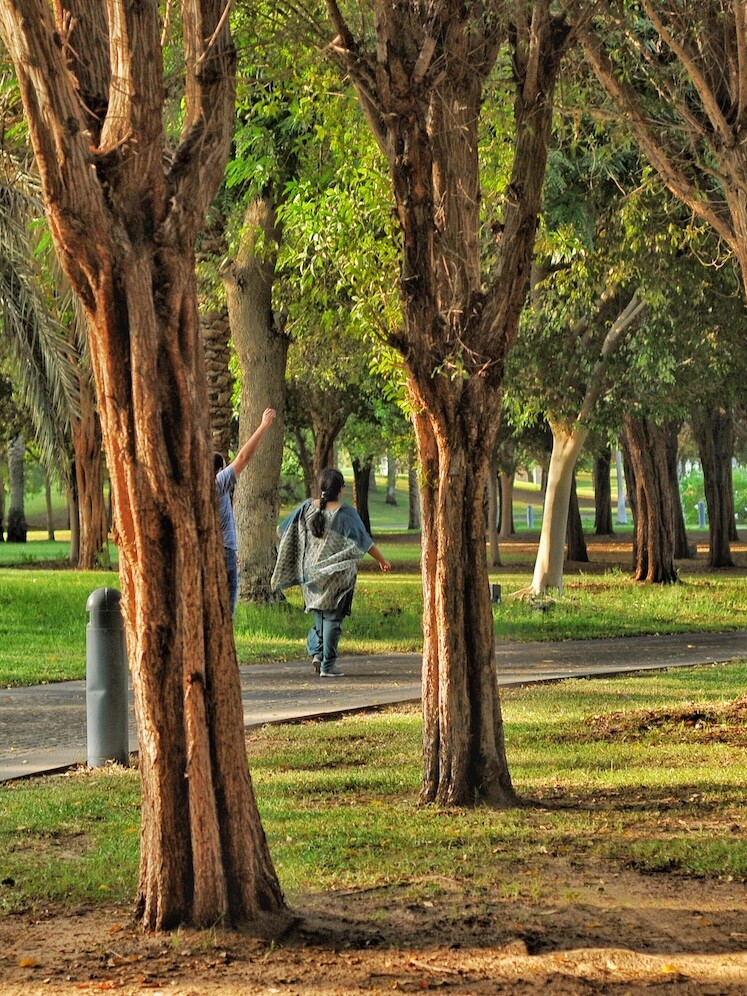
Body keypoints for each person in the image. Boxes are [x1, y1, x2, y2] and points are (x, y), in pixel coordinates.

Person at [271, 467, 391, 676]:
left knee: (318, 613)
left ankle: (317, 653)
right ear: (341, 489)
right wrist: (382, 560)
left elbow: (283, 531)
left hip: (310, 574)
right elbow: (364, 541)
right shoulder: (346, 514)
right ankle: (328, 665)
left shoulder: (306, 508)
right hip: (337, 574)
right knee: (333, 619)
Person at [215, 407, 276, 615]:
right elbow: (242, 457)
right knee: (225, 614)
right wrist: (264, 425)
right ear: (219, 471)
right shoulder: (216, 484)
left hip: (214, 552)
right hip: (223, 553)